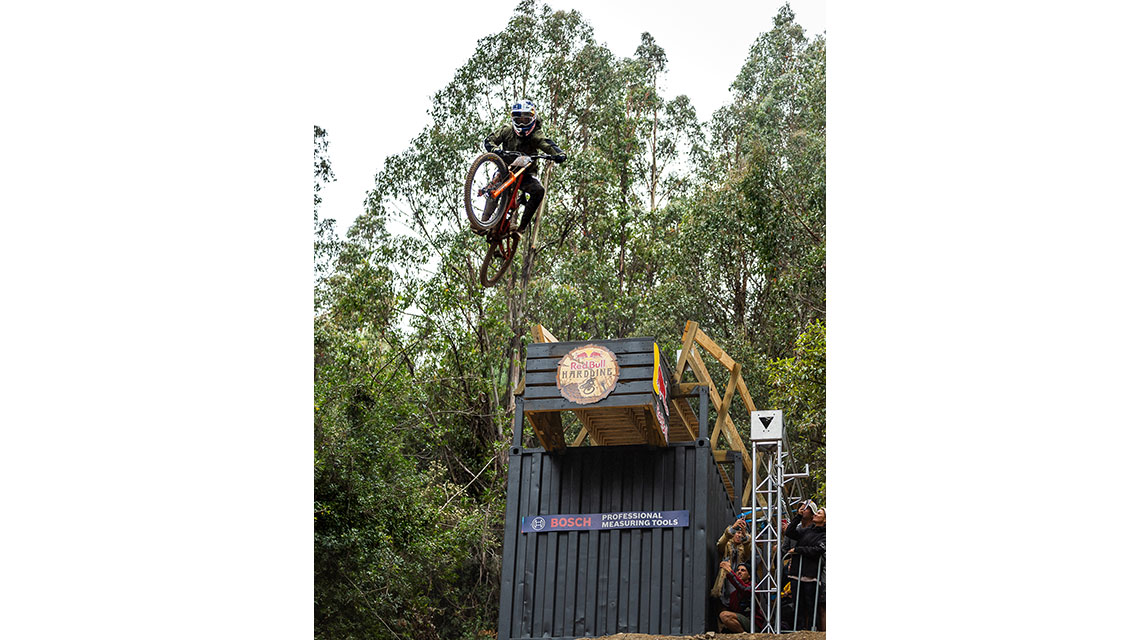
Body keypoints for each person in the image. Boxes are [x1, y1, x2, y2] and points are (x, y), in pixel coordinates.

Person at [482, 99, 566, 235]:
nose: (521, 124)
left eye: (525, 120)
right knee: (496, 185)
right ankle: (482, 222)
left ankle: (521, 227)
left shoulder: (536, 134)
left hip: (526, 174)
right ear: (513, 118)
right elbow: (489, 140)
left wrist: (559, 154)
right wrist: (495, 150)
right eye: (518, 119)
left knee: (539, 191)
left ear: (532, 119)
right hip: (506, 169)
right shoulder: (507, 130)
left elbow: (547, 144)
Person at [782, 502, 825, 631]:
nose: (816, 514)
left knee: (811, 606)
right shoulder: (806, 531)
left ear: (825, 519)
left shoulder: (825, 534)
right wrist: (798, 516)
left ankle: (813, 631)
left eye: (819, 513)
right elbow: (789, 532)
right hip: (796, 573)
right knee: (798, 606)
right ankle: (799, 630)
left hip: (811, 575)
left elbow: (818, 549)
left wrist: (798, 549)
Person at [717, 561, 763, 633]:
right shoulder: (734, 594)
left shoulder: (753, 587)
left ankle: (744, 636)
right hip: (741, 622)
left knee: (724, 615)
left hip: (753, 623)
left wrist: (729, 572)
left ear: (749, 576)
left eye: (743, 570)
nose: (739, 572)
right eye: (738, 570)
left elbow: (743, 588)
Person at [711, 517, 749, 603]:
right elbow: (720, 543)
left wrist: (745, 535)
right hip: (725, 581)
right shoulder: (726, 545)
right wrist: (732, 528)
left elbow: (749, 549)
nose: (739, 535)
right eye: (737, 533)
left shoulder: (744, 548)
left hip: (738, 579)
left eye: (741, 533)